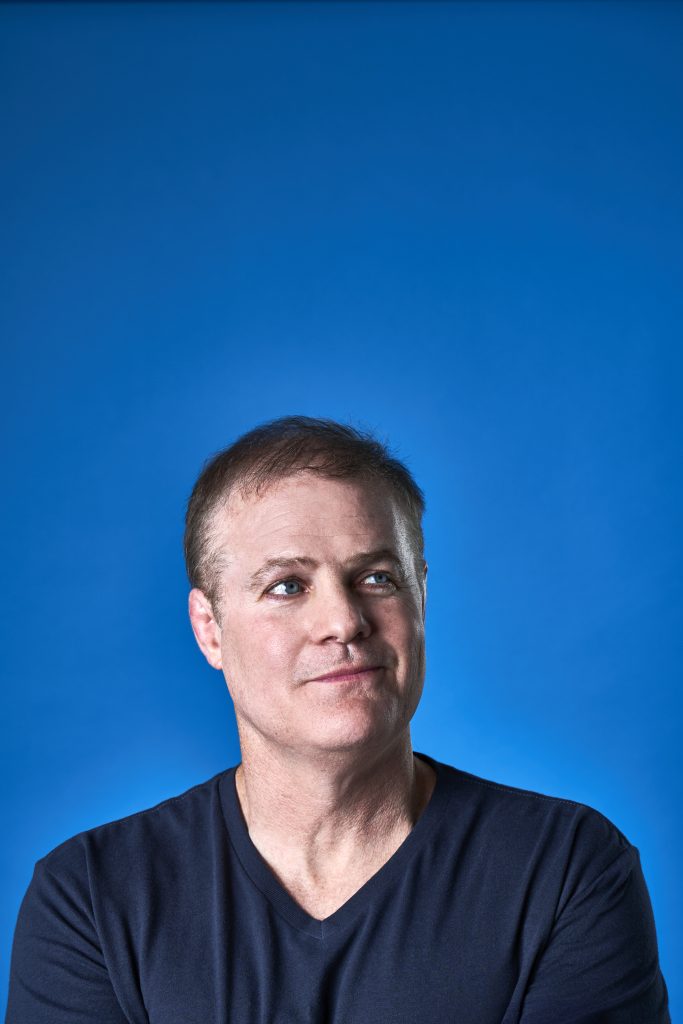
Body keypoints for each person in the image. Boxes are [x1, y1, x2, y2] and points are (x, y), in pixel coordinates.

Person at [5, 415, 671, 1023]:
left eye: (377, 577)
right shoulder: (92, 898)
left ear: (421, 597)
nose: (344, 622)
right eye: (287, 586)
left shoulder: (563, 869)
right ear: (209, 629)